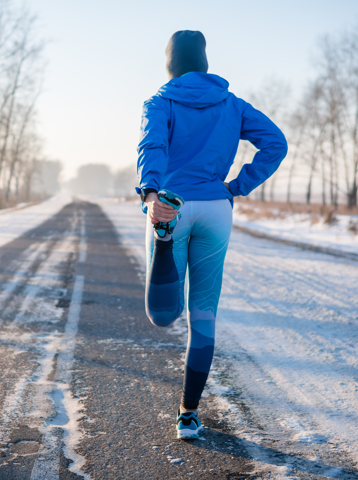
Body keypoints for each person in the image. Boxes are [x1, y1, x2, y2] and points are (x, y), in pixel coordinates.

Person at [136, 30, 288, 440]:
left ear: (171, 64)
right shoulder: (232, 104)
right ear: (203, 62)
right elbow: (275, 143)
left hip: (171, 204)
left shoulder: (160, 102)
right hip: (217, 210)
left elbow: (152, 147)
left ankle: (164, 241)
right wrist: (237, 186)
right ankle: (188, 415)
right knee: (204, 317)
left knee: (164, 315)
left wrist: (150, 194)